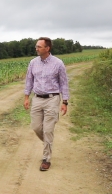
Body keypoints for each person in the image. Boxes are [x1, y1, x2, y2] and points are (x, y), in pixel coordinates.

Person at [23, 37, 69, 171]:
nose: (36, 48)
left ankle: (46, 158)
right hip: (37, 99)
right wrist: (26, 97)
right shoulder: (33, 63)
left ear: (47, 48)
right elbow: (29, 81)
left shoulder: (58, 63)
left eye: (39, 46)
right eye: (36, 46)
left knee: (48, 130)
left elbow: (64, 83)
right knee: (36, 127)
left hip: (52, 99)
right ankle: (48, 144)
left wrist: (65, 101)